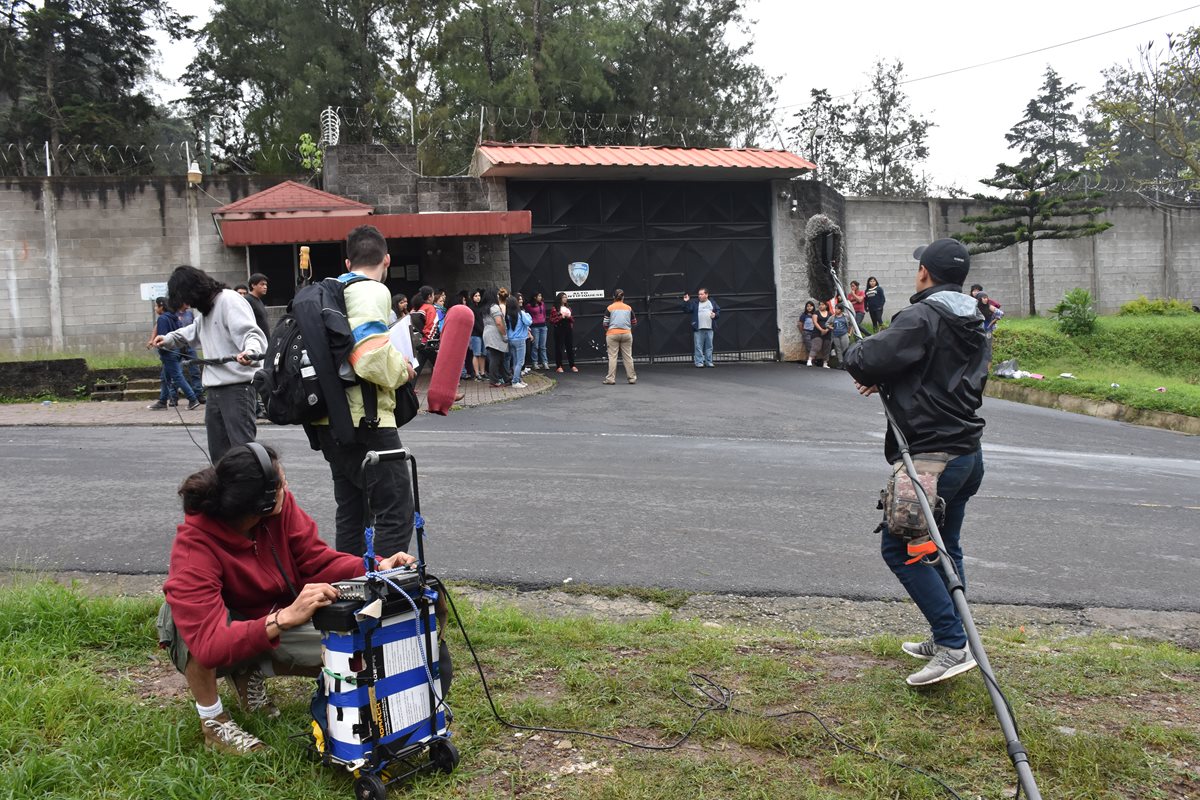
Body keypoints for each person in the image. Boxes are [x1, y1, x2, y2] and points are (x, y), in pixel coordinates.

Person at [157, 443, 417, 754]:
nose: (287, 487)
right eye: (281, 483)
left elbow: (315, 560)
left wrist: (375, 566)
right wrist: (283, 619)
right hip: (228, 627)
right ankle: (213, 721)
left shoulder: (280, 510)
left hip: (267, 617)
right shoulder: (193, 548)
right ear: (261, 505)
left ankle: (248, 670)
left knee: (353, 655)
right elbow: (210, 645)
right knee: (181, 617)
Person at [842, 238, 989, 688]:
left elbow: (865, 358)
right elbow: (933, 372)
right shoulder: (975, 318)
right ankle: (953, 633)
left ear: (924, 272)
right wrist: (887, 375)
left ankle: (950, 643)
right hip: (967, 454)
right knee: (947, 548)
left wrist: (862, 360)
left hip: (930, 460)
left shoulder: (922, 315)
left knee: (902, 550)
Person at [312, 225, 418, 559]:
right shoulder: (372, 291)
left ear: (347, 263)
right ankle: (385, 598)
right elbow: (370, 357)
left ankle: (350, 594)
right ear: (386, 259)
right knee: (396, 509)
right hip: (367, 422)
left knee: (352, 512)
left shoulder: (330, 291)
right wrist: (404, 369)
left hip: (329, 421)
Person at [150, 265, 267, 463]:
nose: (187, 306)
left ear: (195, 291)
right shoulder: (206, 311)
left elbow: (251, 333)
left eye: (188, 300)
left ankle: (249, 491)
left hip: (237, 389)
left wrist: (251, 352)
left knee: (242, 452)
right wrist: (168, 339)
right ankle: (224, 492)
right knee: (219, 455)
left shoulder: (229, 300)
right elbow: (192, 331)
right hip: (214, 390)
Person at [147, 297, 201, 411]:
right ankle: (162, 401)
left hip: (168, 352)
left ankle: (192, 399)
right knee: (165, 377)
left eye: (156, 306)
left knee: (177, 376)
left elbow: (162, 338)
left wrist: (157, 344)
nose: (155, 308)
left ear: (161, 306)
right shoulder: (174, 317)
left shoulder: (162, 319)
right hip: (177, 350)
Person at [602, 289, 637, 385]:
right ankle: (632, 378)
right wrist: (628, 330)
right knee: (628, 357)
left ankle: (610, 379)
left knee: (613, 357)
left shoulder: (610, 308)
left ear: (613, 297)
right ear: (623, 297)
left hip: (612, 334)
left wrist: (608, 330)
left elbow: (605, 323)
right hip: (626, 334)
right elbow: (634, 322)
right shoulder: (628, 308)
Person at [680, 288, 720, 368]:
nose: (700, 296)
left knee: (709, 346)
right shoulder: (695, 303)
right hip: (698, 328)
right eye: (699, 294)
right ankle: (699, 362)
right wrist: (686, 301)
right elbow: (687, 310)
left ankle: (709, 362)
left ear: (706, 294)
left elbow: (718, 311)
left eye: (701, 294)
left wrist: (715, 315)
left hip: (709, 328)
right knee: (698, 346)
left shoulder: (712, 302)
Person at [481, 288, 509, 387]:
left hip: (487, 333)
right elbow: (499, 322)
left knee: (499, 357)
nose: (498, 296)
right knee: (495, 358)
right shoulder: (495, 307)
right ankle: (494, 380)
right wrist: (504, 335)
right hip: (495, 334)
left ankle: (506, 378)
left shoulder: (485, 308)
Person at [506, 296, 532, 389]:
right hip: (520, 339)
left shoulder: (507, 315)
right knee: (520, 362)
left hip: (511, 339)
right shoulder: (521, 313)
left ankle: (518, 379)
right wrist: (528, 314)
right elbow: (528, 322)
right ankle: (515, 381)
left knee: (515, 361)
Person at [550, 292, 577, 373]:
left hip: (568, 328)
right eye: (563, 297)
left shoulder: (568, 307)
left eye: (566, 297)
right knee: (559, 347)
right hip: (559, 328)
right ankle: (559, 366)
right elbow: (552, 320)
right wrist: (561, 316)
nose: (565, 298)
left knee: (569, 347)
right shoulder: (555, 308)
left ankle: (572, 365)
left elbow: (572, 319)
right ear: (560, 299)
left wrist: (569, 317)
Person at [525, 292, 549, 370]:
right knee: (535, 345)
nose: (540, 297)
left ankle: (544, 362)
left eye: (541, 296)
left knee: (543, 346)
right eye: (539, 296)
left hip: (543, 326)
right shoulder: (529, 306)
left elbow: (544, 314)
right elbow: (527, 315)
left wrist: (543, 320)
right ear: (535, 297)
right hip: (535, 327)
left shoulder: (542, 304)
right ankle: (534, 362)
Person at [469, 289, 487, 380]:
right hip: (476, 333)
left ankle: (482, 372)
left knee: (483, 354)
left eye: (479, 296)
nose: (478, 297)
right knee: (476, 354)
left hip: (484, 333)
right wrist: (482, 330)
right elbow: (474, 322)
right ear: (472, 297)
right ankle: (477, 373)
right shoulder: (471, 308)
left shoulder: (482, 307)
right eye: (475, 296)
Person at [809, 300, 832, 368]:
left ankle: (825, 363)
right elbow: (815, 322)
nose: (821, 306)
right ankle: (810, 360)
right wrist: (821, 330)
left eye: (822, 304)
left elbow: (831, 323)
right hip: (817, 332)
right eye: (820, 304)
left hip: (827, 332)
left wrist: (827, 330)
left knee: (826, 348)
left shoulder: (829, 314)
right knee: (816, 346)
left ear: (826, 306)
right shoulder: (816, 313)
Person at [246, 273, 270, 337]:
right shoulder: (247, 300)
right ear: (253, 285)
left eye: (266, 285)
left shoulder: (259, 300)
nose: (265, 287)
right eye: (262, 284)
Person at [797, 300, 816, 365]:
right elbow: (800, 324)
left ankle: (812, 360)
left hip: (814, 333)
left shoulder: (815, 314)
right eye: (808, 306)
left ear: (813, 307)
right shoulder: (804, 315)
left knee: (814, 346)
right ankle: (811, 361)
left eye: (811, 306)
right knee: (809, 347)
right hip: (806, 332)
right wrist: (803, 332)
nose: (809, 308)